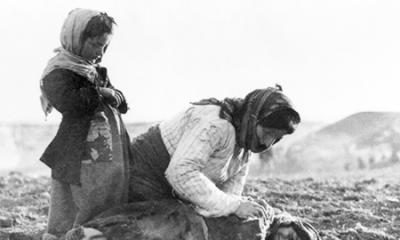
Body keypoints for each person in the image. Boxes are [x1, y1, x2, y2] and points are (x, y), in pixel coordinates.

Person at [39, 8, 131, 240]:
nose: (100, 53)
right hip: (77, 150)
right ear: (76, 39)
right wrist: (100, 93)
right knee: (73, 199)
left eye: (105, 47)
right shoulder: (58, 72)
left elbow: (116, 99)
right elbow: (69, 102)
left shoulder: (95, 71)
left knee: (107, 192)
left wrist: (118, 98)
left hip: (107, 152)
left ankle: (97, 231)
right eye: (95, 45)